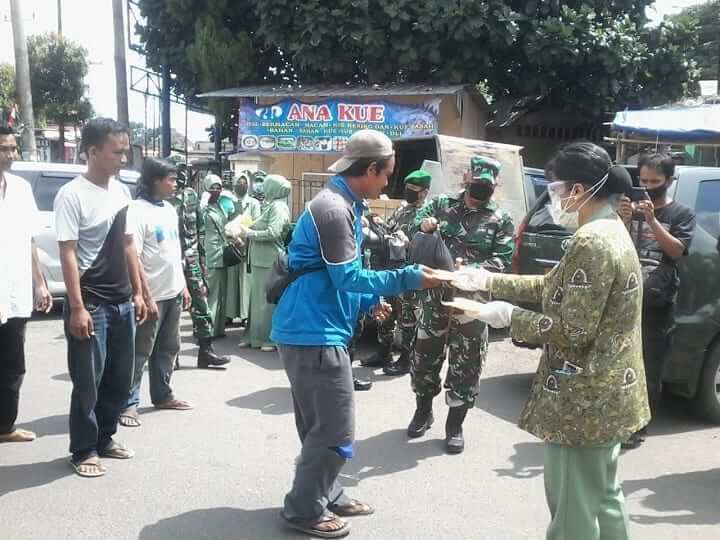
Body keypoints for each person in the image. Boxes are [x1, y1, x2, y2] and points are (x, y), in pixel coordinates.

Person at [451, 142, 650, 539]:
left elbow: (573, 331)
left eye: (557, 189)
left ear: (578, 190)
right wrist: (488, 281)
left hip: (584, 400)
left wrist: (508, 316)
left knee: (572, 510)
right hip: (612, 394)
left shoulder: (591, 240)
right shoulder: (611, 228)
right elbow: (557, 286)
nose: (554, 198)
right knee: (605, 497)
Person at [271, 129, 441, 538]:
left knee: (320, 424)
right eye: (386, 175)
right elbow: (346, 276)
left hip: (315, 326)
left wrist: (367, 303)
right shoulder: (332, 208)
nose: (388, 183)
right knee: (334, 428)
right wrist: (410, 277)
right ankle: (303, 508)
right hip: (313, 332)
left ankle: (326, 490)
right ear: (369, 169)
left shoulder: (347, 204)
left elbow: (334, 273)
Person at [54, 118, 148, 477]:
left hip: (122, 301)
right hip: (90, 303)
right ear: (93, 151)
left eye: (126, 150)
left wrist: (138, 292)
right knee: (87, 381)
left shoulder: (121, 191)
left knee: (119, 379)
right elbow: (68, 253)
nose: (124, 158)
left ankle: (106, 438)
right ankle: (83, 450)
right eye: (118, 151)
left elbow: (128, 244)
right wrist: (76, 307)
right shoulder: (72, 195)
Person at [408, 156, 514, 454]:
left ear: (495, 186)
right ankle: (423, 410)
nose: (481, 189)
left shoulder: (500, 219)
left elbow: (502, 260)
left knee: (467, 363)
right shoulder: (442, 205)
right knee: (425, 356)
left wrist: (472, 270)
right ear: (467, 179)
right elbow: (417, 223)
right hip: (435, 297)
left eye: (487, 186)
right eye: (477, 183)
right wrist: (425, 225)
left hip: (472, 303)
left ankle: (455, 424)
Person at [618, 153, 696, 449]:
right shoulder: (632, 209)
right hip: (625, 297)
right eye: (644, 181)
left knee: (649, 364)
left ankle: (638, 425)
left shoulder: (681, 213)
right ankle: (617, 418)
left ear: (669, 181)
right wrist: (625, 220)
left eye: (655, 181)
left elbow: (676, 251)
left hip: (656, 302)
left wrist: (651, 219)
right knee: (619, 361)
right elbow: (618, 247)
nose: (648, 187)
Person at [118, 158, 193, 428]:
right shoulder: (136, 210)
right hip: (152, 295)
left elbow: (174, 252)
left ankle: (162, 395)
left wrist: (183, 286)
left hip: (172, 292)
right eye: (170, 179)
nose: (174, 184)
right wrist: (143, 295)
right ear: (154, 180)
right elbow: (133, 256)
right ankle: (128, 403)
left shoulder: (170, 210)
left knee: (168, 348)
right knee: (140, 351)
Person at [0, 124, 53, 444]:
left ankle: (4, 427)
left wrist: (40, 283)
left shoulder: (20, 188)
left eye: (13, 148)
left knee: (12, 365)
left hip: (15, 292)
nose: (11, 155)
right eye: (4, 149)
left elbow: (30, 239)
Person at [170, 165, 229, 369]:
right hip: (170, 258)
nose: (182, 175)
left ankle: (206, 352)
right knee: (172, 308)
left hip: (192, 258)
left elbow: (200, 229)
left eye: (185, 171)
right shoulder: (161, 197)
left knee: (202, 304)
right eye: (178, 171)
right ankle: (171, 355)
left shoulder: (191, 196)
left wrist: (203, 262)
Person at [233, 174, 291, 351]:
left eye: (266, 185)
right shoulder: (271, 205)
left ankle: (269, 338)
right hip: (259, 259)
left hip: (269, 259)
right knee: (256, 300)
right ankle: (253, 335)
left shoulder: (279, 207)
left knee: (266, 300)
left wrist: (249, 234)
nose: (262, 188)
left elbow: (273, 232)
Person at [383, 169, 432, 376]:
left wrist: (409, 241)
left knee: (408, 317)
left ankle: (406, 358)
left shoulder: (428, 214)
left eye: (414, 190)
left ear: (424, 192)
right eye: (407, 189)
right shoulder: (402, 210)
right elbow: (389, 227)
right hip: (393, 269)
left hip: (411, 272)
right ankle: (383, 351)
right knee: (387, 312)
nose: (409, 193)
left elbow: (429, 246)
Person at [225, 174, 261, 325]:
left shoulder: (253, 203)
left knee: (246, 281)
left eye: (244, 182)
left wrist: (243, 233)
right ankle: (229, 313)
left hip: (247, 244)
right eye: (238, 182)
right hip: (231, 244)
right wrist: (232, 236)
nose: (241, 185)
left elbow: (256, 221)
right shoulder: (228, 201)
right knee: (231, 279)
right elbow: (223, 221)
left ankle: (245, 314)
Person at [199, 174, 230, 339]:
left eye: (218, 187)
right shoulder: (203, 206)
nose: (216, 190)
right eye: (212, 187)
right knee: (211, 294)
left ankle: (218, 328)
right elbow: (198, 221)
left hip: (222, 252)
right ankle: (206, 330)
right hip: (210, 253)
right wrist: (203, 203)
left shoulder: (219, 206)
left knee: (221, 293)